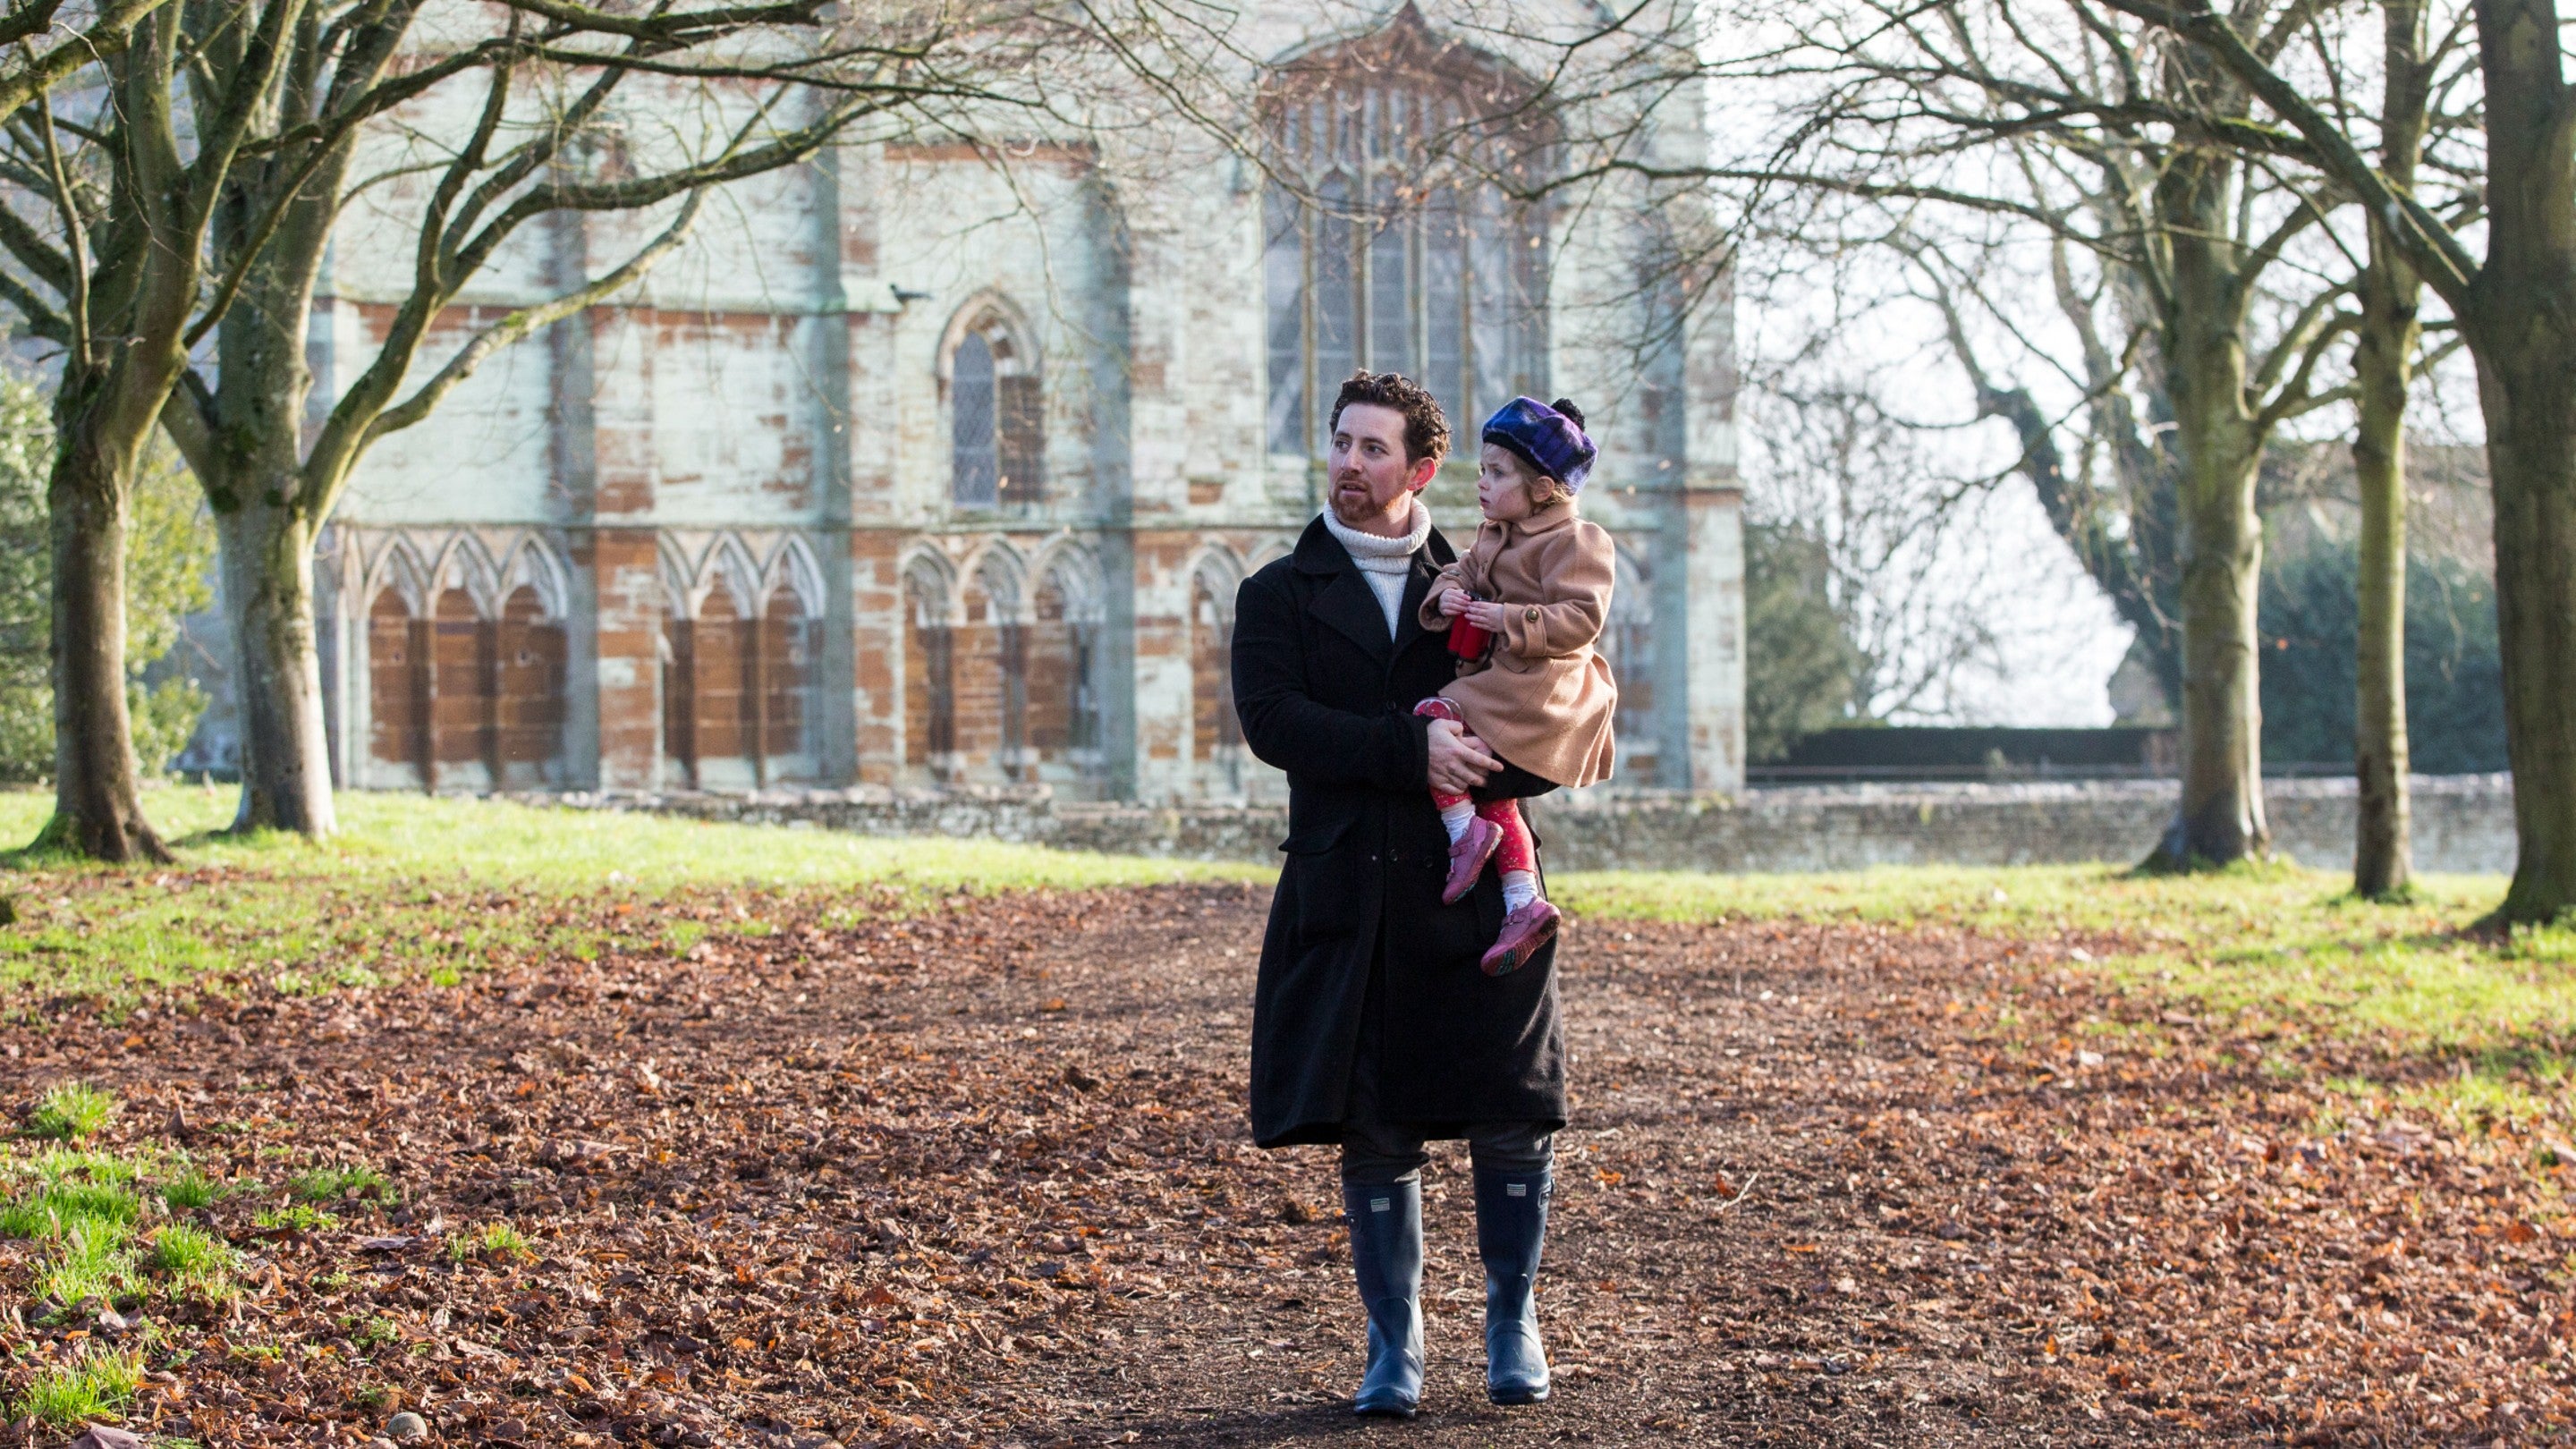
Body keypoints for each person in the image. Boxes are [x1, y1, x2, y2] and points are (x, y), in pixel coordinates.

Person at [1233, 370, 1567, 1419]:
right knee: (1378, 1123)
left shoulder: (1489, 578)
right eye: (1341, 442)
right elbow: (1275, 723)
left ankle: (1511, 1318)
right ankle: (1395, 1343)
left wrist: (1488, 768)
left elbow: (1549, 707)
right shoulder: (1277, 593)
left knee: (1511, 1113)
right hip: (1352, 886)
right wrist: (1408, 746)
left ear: (1422, 470)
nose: (1349, 463)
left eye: (1374, 449)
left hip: (1480, 889)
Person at [1416, 396, 1618, 975]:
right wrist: (1447, 592)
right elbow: (1464, 569)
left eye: (1497, 472)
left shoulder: (1579, 542)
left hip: (1544, 693)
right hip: (1509, 681)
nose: (1482, 482)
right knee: (1490, 784)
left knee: (1436, 715)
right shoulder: (1494, 533)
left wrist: (1507, 619)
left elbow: (1581, 619)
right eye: (1483, 469)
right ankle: (1523, 904)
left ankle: (1463, 834)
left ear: (1545, 489)